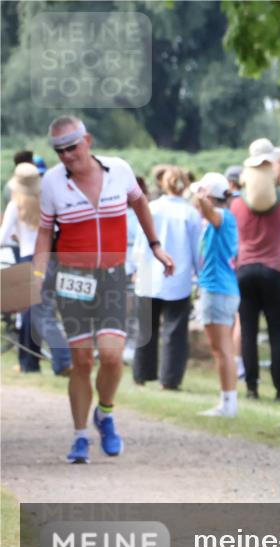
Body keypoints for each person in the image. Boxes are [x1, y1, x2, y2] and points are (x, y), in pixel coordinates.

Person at [31, 116, 174, 463]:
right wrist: (36, 275)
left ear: (88, 141)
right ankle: (80, 436)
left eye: (72, 147)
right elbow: (45, 232)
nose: (67, 155)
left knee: (111, 355)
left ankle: (105, 414)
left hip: (111, 276)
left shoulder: (119, 170)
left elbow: (140, 203)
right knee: (81, 361)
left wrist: (155, 246)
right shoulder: (52, 182)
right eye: (59, 151)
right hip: (72, 279)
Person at [232, 138, 280, 401]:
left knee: (248, 331)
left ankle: (251, 387)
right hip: (274, 272)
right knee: (277, 333)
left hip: (245, 269)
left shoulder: (237, 205)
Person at [131, 166, 201, 390]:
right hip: (178, 277)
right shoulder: (190, 213)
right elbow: (197, 249)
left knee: (146, 328)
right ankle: (170, 379)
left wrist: (135, 268)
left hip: (149, 275)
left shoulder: (152, 208)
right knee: (175, 331)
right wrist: (199, 275)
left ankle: (141, 373)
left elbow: (140, 243)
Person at [191, 172, 240, 417]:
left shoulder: (222, 216)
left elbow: (209, 212)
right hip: (223, 289)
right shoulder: (224, 217)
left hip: (218, 290)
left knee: (222, 351)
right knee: (224, 349)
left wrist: (201, 196)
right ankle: (228, 402)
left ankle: (228, 403)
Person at [2, 163, 45, 372]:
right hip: (45, 258)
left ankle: (26, 362)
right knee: (37, 312)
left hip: (26, 257)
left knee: (26, 312)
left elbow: (2, 237)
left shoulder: (15, 205)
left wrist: (15, 237)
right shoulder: (45, 203)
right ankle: (34, 361)